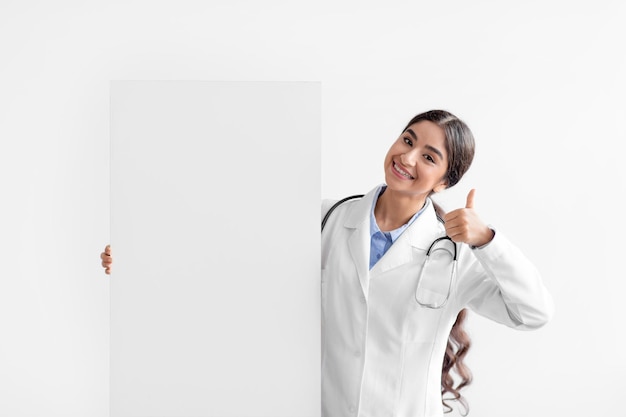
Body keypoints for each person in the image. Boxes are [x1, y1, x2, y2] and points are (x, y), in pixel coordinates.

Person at [101, 109, 554, 417]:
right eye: (407, 139)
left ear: (444, 182)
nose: (407, 157)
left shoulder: (454, 253)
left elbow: (533, 313)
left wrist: (487, 241)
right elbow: (230, 256)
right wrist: (139, 255)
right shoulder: (326, 218)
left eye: (429, 157)